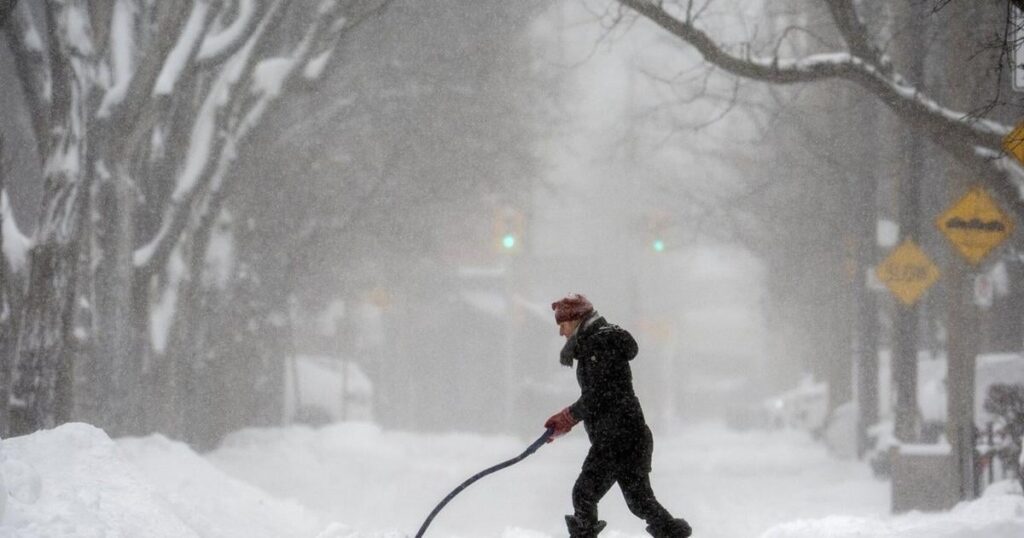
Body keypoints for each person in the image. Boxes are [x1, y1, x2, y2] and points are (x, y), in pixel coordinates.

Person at [544, 293, 691, 538]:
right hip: (630, 434)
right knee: (640, 501)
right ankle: (672, 534)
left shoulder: (599, 345)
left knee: (584, 494)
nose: (561, 332)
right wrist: (568, 419)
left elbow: (599, 394)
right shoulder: (599, 342)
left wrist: (568, 417)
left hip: (616, 438)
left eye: (563, 324)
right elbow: (601, 393)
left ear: (577, 319)